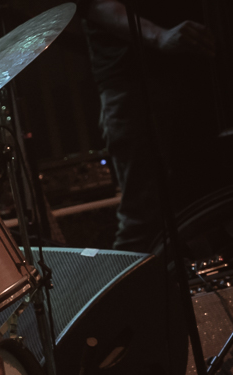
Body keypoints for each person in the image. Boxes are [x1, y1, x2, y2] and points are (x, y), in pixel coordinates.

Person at [83, 0, 229, 253]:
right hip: (137, 80)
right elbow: (95, 4)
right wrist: (160, 36)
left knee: (211, 210)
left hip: (202, 70)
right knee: (146, 221)